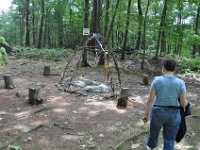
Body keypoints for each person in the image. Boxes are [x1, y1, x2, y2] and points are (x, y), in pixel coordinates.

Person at [143, 58, 188, 150]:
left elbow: (150, 99)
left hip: (158, 112)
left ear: (163, 68)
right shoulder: (181, 83)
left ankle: (151, 148)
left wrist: (146, 114)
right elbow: (183, 104)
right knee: (169, 139)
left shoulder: (157, 80)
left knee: (154, 133)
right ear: (175, 69)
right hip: (174, 114)